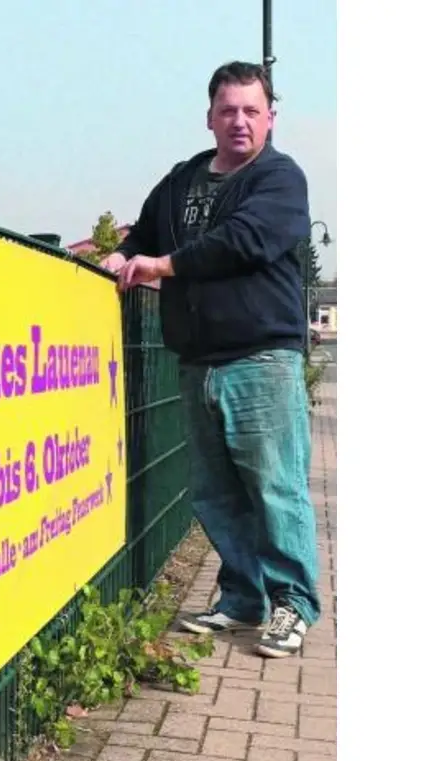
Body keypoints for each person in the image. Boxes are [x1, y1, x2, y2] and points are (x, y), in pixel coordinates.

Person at [101, 61, 319, 659]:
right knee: (216, 493)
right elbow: (143, 232)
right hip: (197, 358)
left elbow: (245, 240)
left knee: (275, 488)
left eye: (252, 111)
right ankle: (242, 597)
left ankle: (292, 605)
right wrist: (122, 257)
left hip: (262, 358)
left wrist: (164, 266)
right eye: (229, 111)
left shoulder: (280, 179)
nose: (240, 121)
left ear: (270, 118)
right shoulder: (181, 180)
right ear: (210, 118)